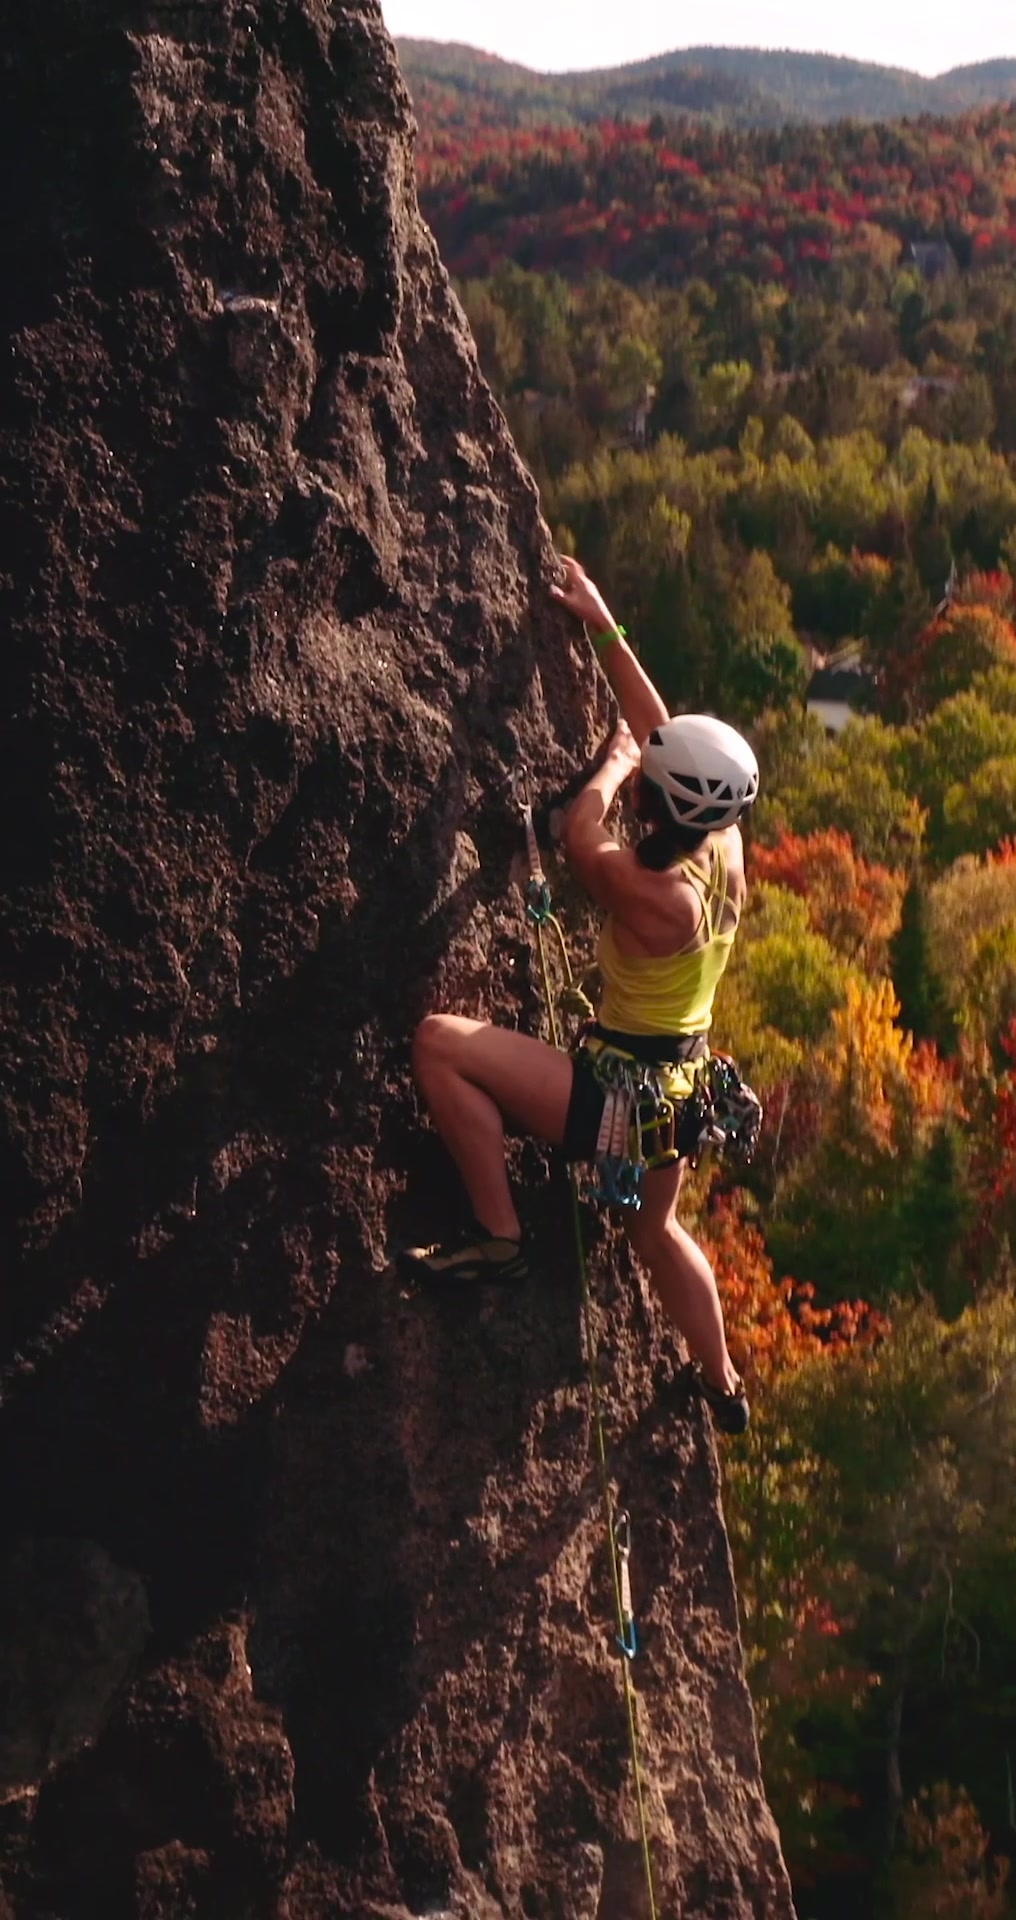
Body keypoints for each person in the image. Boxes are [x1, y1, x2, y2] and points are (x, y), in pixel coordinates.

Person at [400, 557, 759, 1434]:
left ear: (662, 803)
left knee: (439, 1042)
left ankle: (499, 1239)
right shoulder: (723, 841)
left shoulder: (655, 896)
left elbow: (579, 833)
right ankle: (723, 1384)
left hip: (615, 1102)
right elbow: (661, 729)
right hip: (682, 1090)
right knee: (658, 1236)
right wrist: (602, 623)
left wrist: (610, 762)